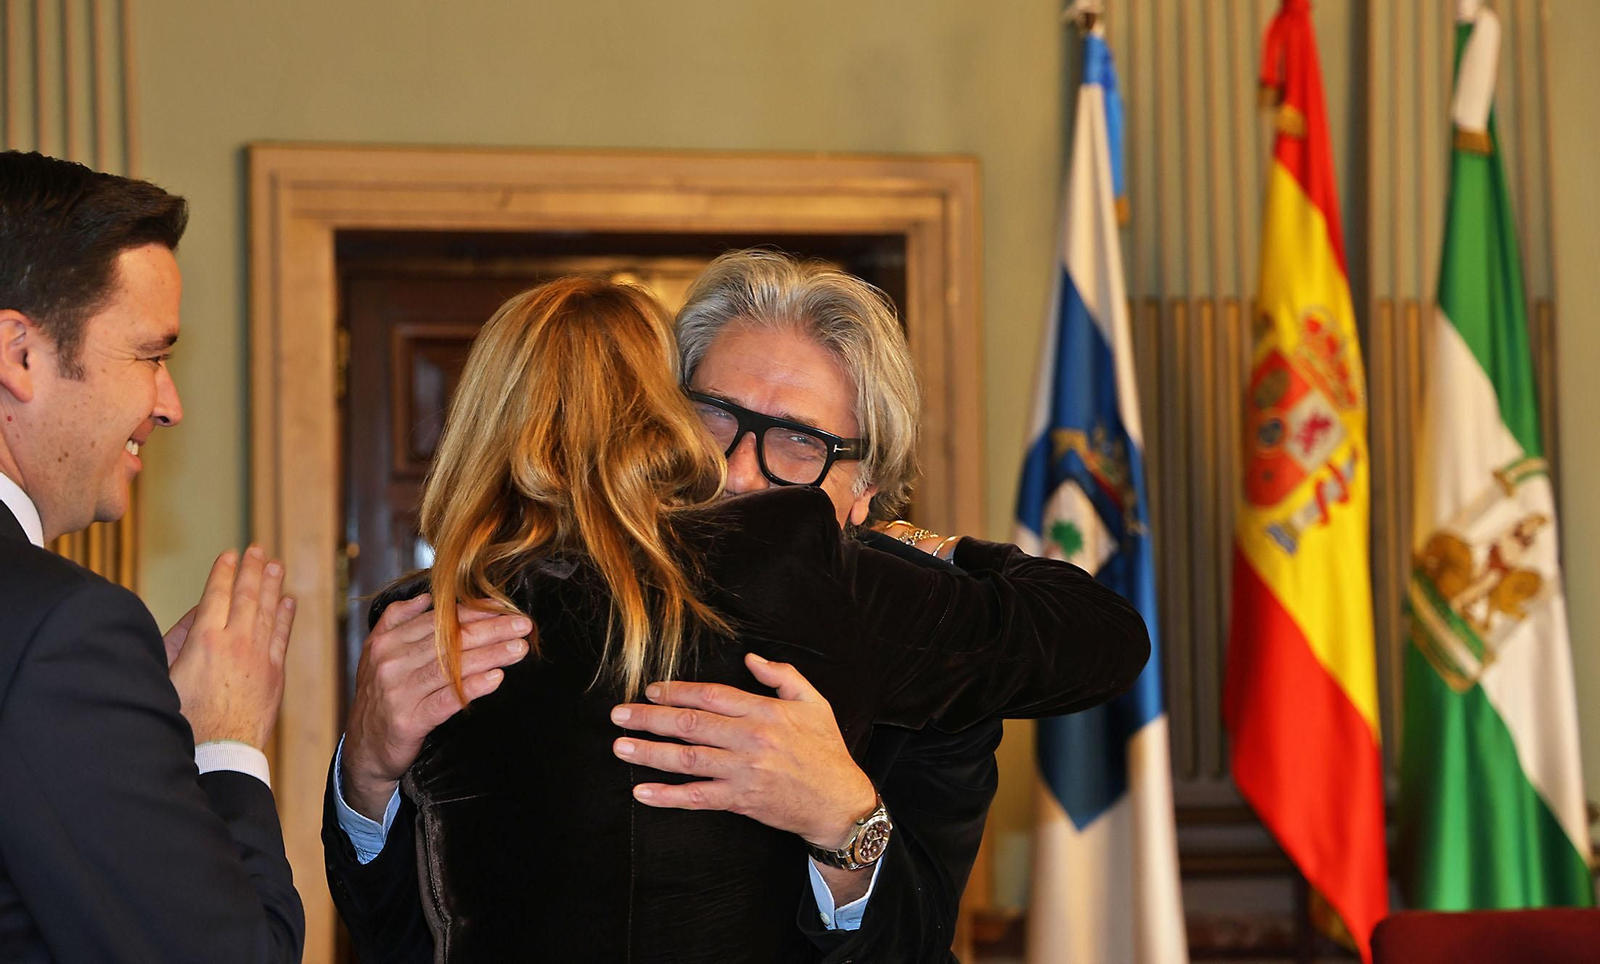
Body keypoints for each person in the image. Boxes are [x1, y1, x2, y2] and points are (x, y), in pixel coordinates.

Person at [324, 253, 1134, 961]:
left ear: (865, 493)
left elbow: (911, 947)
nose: (739, 471)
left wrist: (845, 817)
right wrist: (365, 772)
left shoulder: (903, 619)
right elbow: (404, 936)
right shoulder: (491, 608)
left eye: (799, 443)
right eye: (712, 415)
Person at [0, 151, 304, 961]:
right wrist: (224, 740)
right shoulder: (64, 630)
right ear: (19, 354)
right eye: (151, 355)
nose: (168, 405)